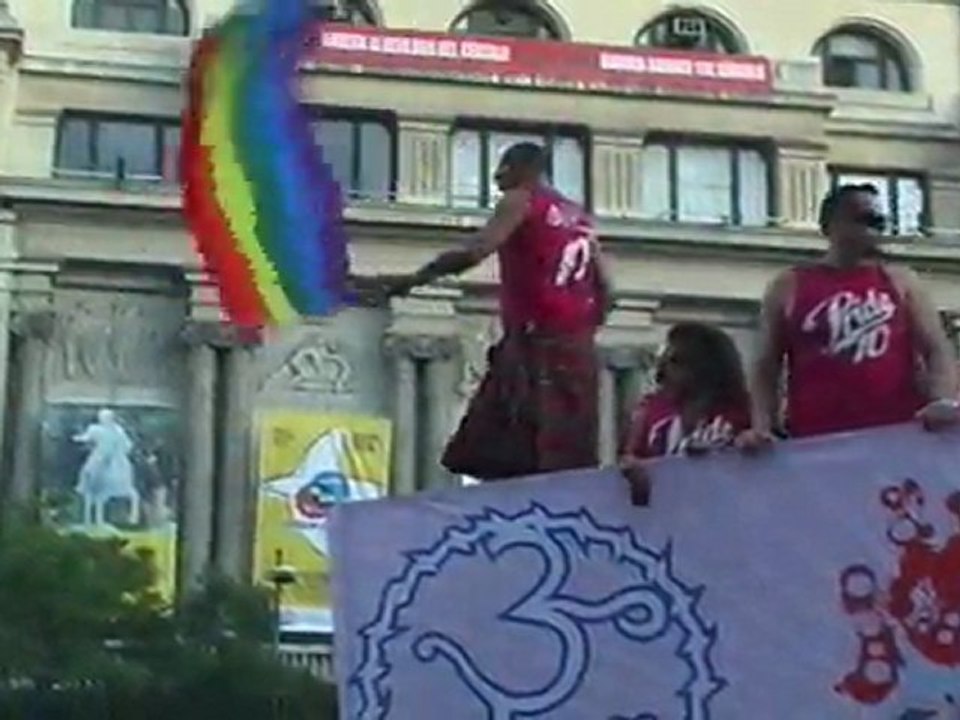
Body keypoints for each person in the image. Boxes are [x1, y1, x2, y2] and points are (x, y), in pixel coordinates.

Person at [375, 142, 612, 480]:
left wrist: (416, 278)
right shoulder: (579, 217)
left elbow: (477, 250)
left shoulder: (521, 200)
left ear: (525, 169)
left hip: (534, 340)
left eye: (504, 166)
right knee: (566, 453)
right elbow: (607, 288)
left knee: (500, 446)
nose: (497, 176)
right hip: (574, 347)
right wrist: (581, 327)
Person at [738, 183, 959, 451]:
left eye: (879, 223)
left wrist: (941, 400)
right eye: (864, 220)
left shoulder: (899, 281)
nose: (873, 231)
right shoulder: (790, 285)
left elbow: (936, 349)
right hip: (815, 440)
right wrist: (763, 425)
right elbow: (766, 364)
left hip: (894, 435)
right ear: (831, 224)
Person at [620, 322, 751, 505]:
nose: (661, 373)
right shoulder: (651, 412)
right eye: (662, 361)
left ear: (703, 367)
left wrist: (744, 448)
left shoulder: (739, 414)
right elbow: (629, 464)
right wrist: (635, 474)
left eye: (675, 362)